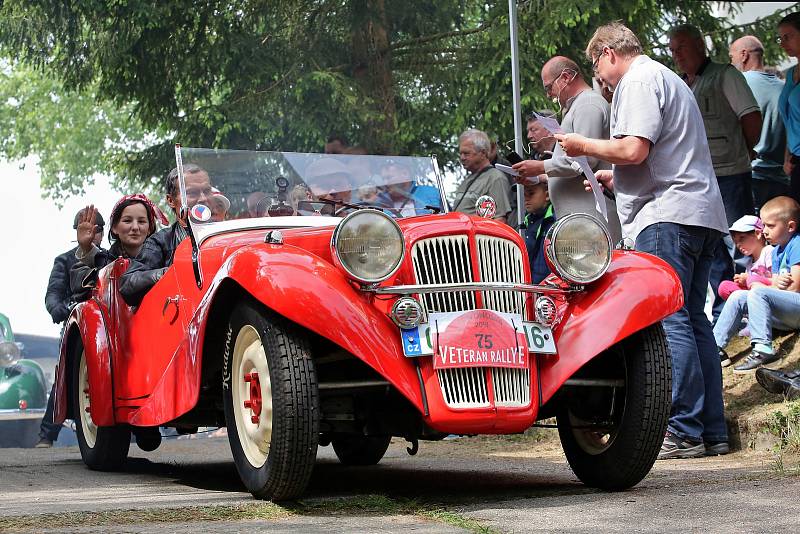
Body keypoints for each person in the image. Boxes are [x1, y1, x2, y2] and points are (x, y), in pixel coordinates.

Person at [557, 21, 730, 458]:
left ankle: (683, 429)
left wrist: (581, 145)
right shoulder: (667, 78)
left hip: (666, 217)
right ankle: (711, 430)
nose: (600, 77)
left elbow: (635, 149)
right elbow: (661, 155)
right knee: (693, 319)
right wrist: (615, 178)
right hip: (699, 214)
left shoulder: (636, 80)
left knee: (669, 322)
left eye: (597, 64)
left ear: (608, 54)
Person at [669, 24, 762, 321]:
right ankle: (725, 314)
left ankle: (752, 308)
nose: (676, 55)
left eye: (681, 47)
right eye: (672, 50)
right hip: (698, 179)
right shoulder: (681, 84)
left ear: (699, 44)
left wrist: (745, 150)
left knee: (741, 242)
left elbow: (751, 117)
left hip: (731, 174)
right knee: (712, 250)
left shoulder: (726, 75)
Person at [513, 56, 622, 244]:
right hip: (580, 220)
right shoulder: (577, 106)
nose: (549, 95)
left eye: (549, 87)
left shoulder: (588, 104)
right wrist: (539, 177)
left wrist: (540, 167)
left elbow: (585, 161)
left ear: (566, 77)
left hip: (591, 218)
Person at [38, 207, 105, 447]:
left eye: (97, 229)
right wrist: (63, 310)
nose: (93, 234)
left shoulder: (109, 258)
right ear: (77, 232)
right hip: (74, 330)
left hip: (106, 332)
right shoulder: (64, 260)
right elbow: (53, 296)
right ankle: (47, 436)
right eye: (87, 229)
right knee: (64, 380)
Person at [723, 196, 800, 373]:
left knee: (757, 292)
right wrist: (770, 285)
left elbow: (795, 288)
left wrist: (762, 287)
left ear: (790, 226)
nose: (764, 231)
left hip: (796, 308)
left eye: (770, 226)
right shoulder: (777, 250)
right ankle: (715, 347)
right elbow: (776, 284)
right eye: (764, 225)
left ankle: (764, 350)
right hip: (787, 314)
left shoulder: (797, 244)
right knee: (738, 295)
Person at [119, 164, 213, 306]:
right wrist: (171, 273)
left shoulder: (226, 233)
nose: (203, 199)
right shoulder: (160, 242)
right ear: (171, 201)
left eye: (207, 191)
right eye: (192, 193)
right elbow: (128, 284)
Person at [729, 36, 790, 209]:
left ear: (744, 55)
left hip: (750, 175)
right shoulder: (784, 88)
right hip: (780, 179)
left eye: (731, 58)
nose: (731, 63)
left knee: (750, 233)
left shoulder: (739, 84)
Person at [712, 215, 773, 367]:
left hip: (772, 301)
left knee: (745, 290)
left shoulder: (770, 252)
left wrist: (751, 280)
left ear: (758, 234)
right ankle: (715, 347)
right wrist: (745, 281)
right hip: (759, 301)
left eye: (742, 238)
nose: (738, 245)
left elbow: (777, 284)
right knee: (725, 287)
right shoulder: (749, 262)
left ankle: (758, 339)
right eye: (736, 241)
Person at [453, 129, 511, 223]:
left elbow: (499, 220)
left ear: (483, 153)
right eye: (461, 153)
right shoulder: (466, 181)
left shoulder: (495, 178)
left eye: (466, 153)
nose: (462, 158)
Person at [777, 12, 800, 204]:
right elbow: (788, 118)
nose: (783, 44)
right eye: (780, 38)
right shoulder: (791, 73)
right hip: (795, 160)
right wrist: (787, 157)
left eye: (788, 37)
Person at [521, 177, 555, 283]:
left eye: (531, 193)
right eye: (524, 194)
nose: (526, 199)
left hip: (548, 288)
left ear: (547, 195)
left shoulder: (555, 221)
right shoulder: (527, 220)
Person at [377, 161, 442, 216]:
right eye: (383, 179)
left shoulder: (432, 193)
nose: (385, 183)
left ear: (405, 174)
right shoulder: (380, 203)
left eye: (389, 177)